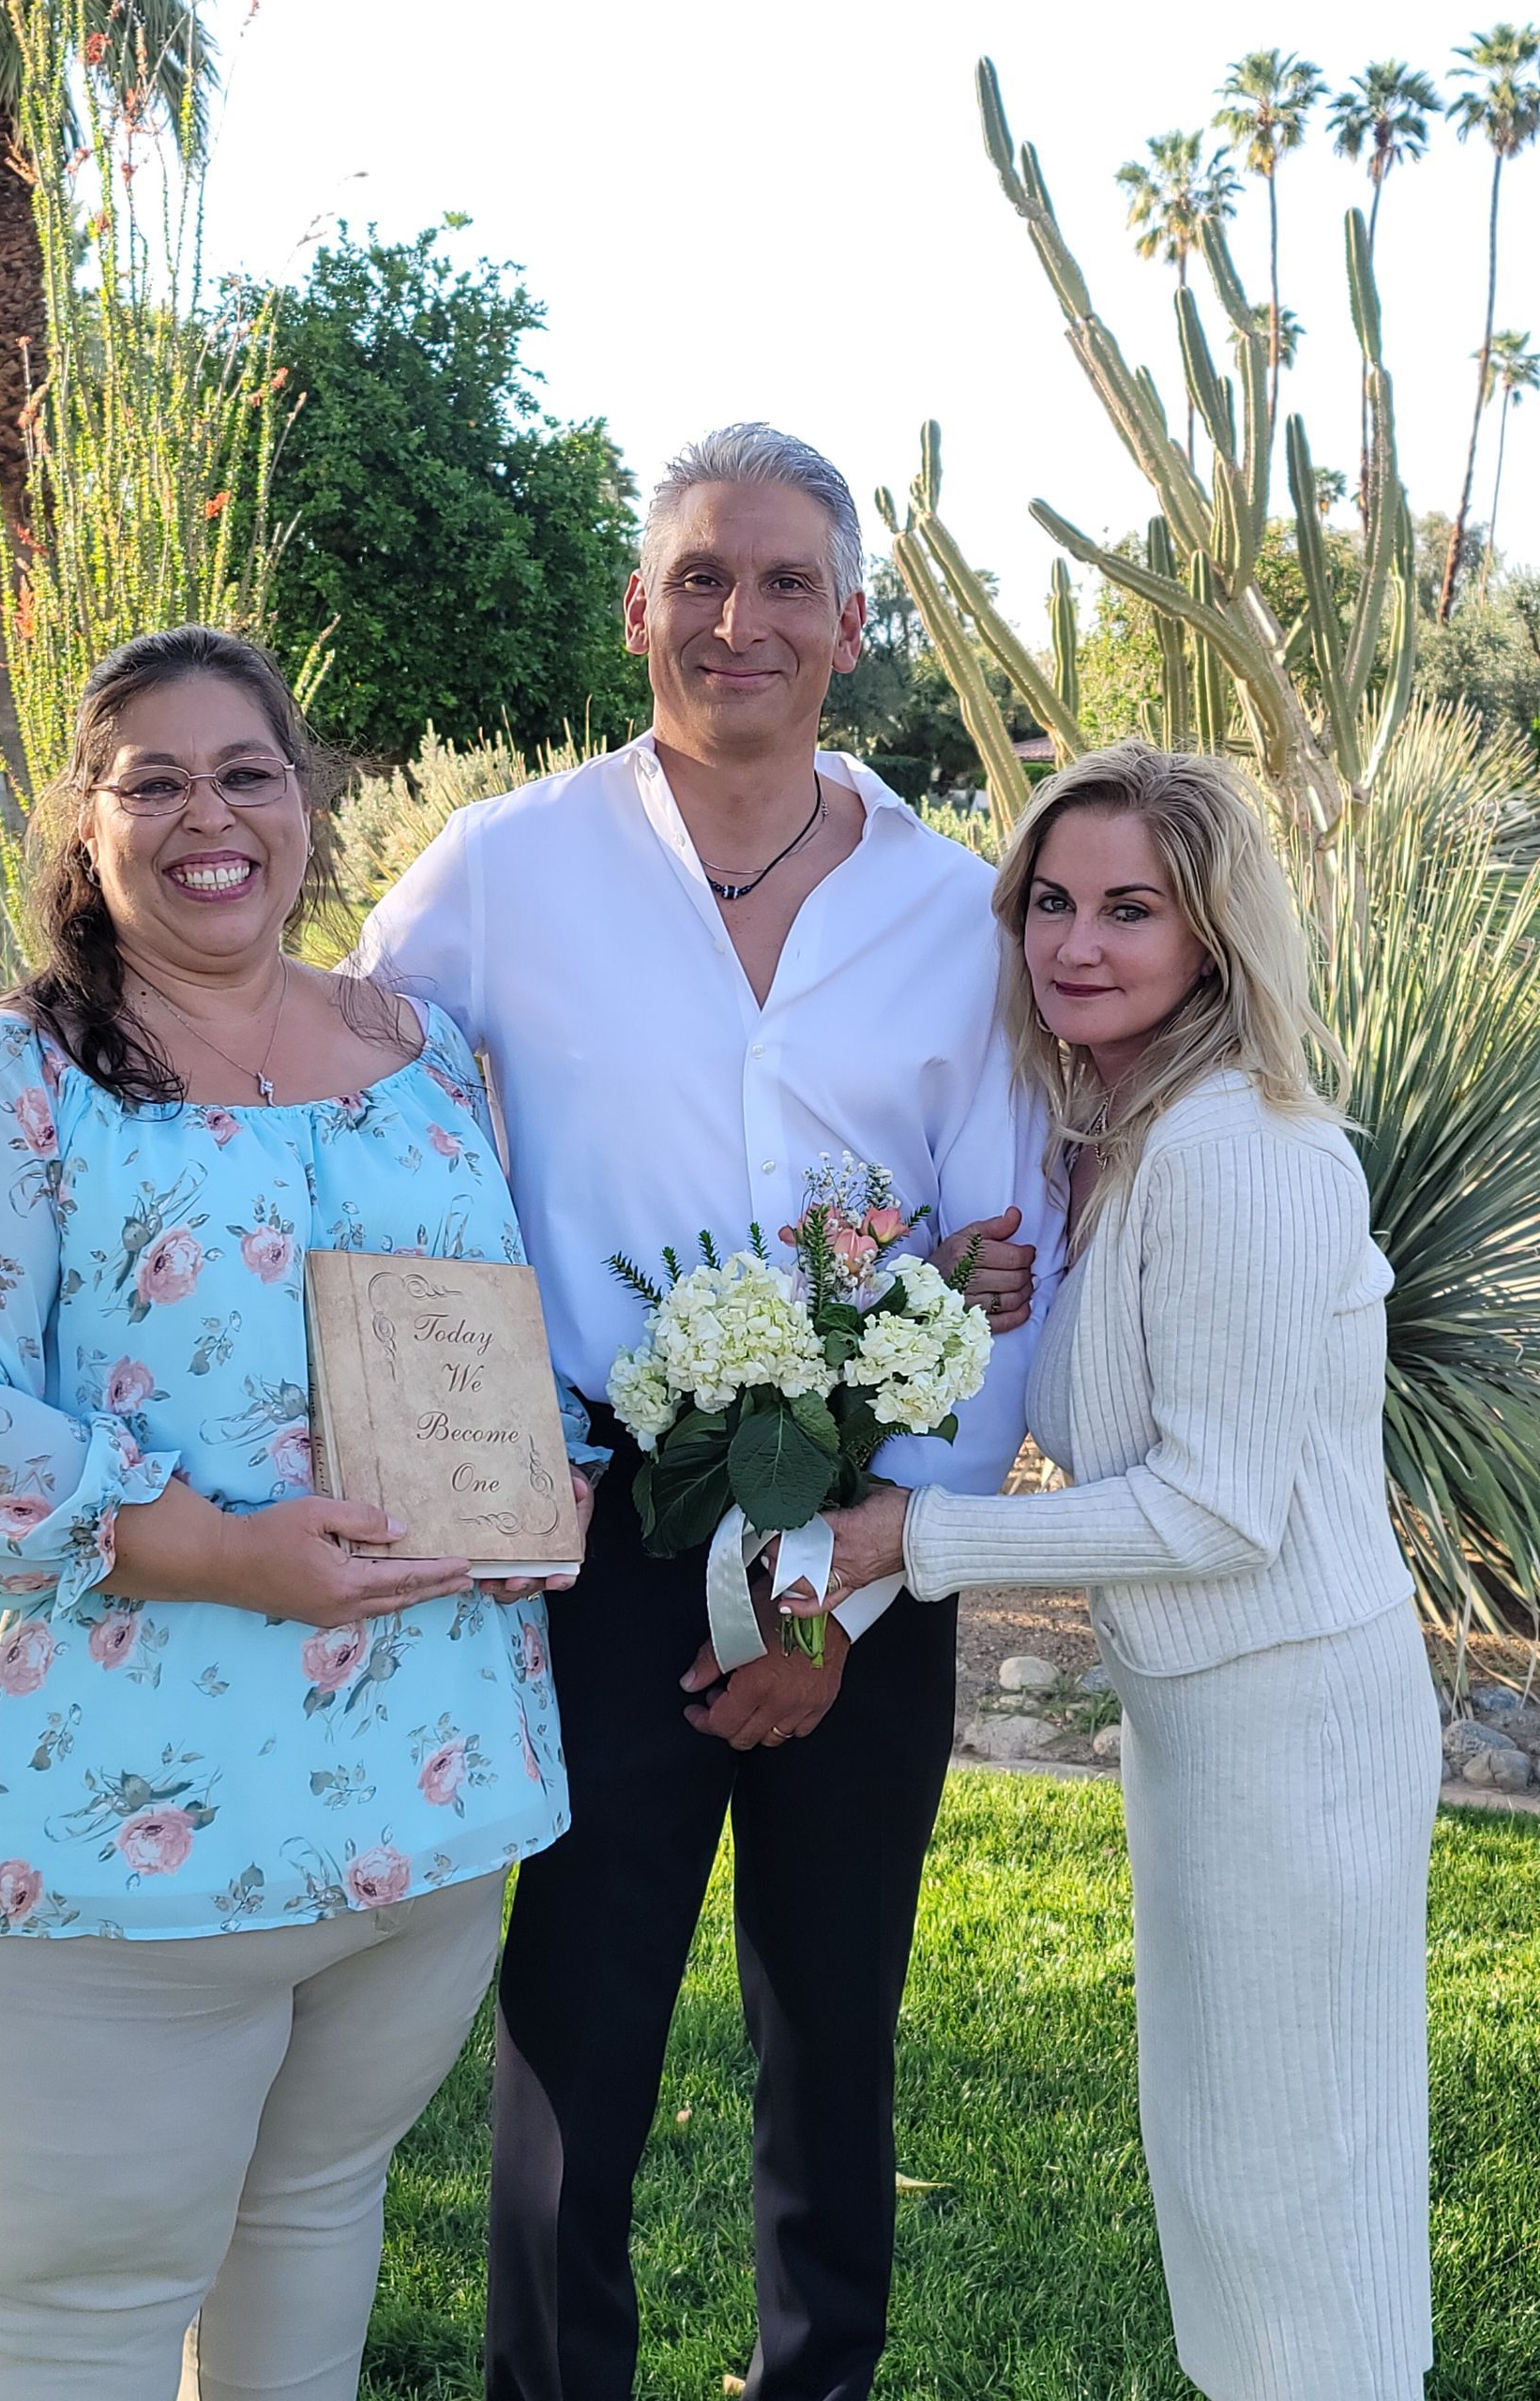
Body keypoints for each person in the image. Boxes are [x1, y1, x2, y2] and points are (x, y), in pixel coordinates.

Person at [0, 625, 597, 2401]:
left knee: (309, 2238)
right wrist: (214, 1550)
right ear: (84, 825)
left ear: (306, 798)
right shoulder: (8, 1080)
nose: (208, 817)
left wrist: (537, 1465)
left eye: (245, 772)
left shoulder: (424, 1055)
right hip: (91, 1845)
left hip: (412, 1818)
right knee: (69, 2320)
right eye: (151, 783)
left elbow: (485, 1321)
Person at [361, 423, 1063, 2401]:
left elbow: (1006, 1251)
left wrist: (853, 1578)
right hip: (598, 1541)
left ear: (852, 622)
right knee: (575, 2029)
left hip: (873, 1543)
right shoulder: (501, 871)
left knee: (833, 2029)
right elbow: (357, 1098)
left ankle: (815, 2377)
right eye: (697, 576)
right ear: (636, 608)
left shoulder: (953, 910)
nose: (736, 618)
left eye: (782, 583)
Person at [780, 741, 1440, 2401]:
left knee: (1302, 2178)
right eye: (1051, 903)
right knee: (1231, 2171)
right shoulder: (1115, 1132)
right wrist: (965, 1286)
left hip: (1294, 1723)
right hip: (1213, 1714)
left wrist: (908, 1538)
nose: (1077, 944)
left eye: (1130, 908)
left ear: (1212, 933)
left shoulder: (1239, 1148)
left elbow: (1219, 1512)